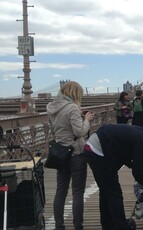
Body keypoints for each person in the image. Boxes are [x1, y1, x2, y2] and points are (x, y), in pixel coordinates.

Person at [83, 124, 143, 230]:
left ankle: (108, 224)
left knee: (106, 191)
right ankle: (122, 226)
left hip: (94, 146)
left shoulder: (141, 132)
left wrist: (137, 168)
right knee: (114, 193)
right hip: (99, 151)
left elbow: (125, 154)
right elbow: (137, 172)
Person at [46, 81, 94, 230]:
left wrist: (78, 114)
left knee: (61, 190)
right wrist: (86, 120)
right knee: (77, 192)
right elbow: (79, 132)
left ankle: (59, 225)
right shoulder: (72, 107)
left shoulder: (51, 107)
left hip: (61, 154)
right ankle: (78, 225)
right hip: (76, 154)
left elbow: (59, 126)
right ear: (75, 93)